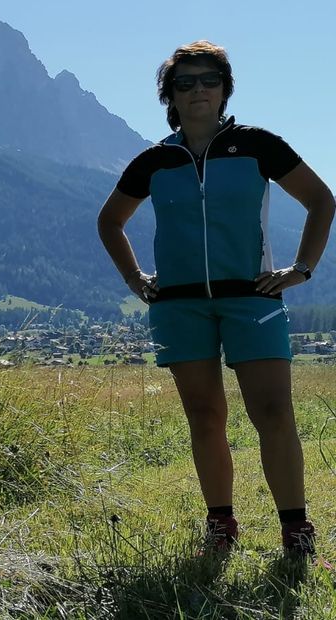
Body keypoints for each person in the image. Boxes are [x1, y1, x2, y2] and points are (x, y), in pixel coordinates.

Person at [97, 40, 335, 556]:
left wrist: (302, 268)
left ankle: (295, 528)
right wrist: (137, 280)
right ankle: (221, 524)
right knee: (205, 416)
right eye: (185, 82)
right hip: (180, 304)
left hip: (253, 297)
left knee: (273, 411)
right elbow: (110, 221)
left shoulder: (257, 145)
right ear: (171, 95)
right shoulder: (155, 161)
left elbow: (321, 200)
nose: (197, 89)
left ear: (225, 89)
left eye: (208, 79)